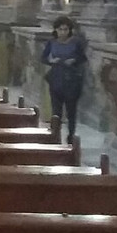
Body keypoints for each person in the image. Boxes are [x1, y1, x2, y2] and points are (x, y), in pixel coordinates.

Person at [40, 16, 86, 144]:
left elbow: (83, 58)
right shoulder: (51, 42)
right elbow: (43, 58)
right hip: (56, 79)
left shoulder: (76, 43)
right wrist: (51, 61)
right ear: (56, 30)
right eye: (60, 30)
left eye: (65, 30)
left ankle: (71, 136)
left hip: (72, 80)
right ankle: (56, 136)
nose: (63, 32)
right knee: (56, 111)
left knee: (71, 110)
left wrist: (74, 60)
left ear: (69, 30)